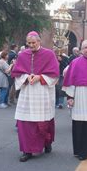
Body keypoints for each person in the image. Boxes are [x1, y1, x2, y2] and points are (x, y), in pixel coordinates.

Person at [11, 31, 59, 162]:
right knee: (24, 122)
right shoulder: (22, 55)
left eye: (33, 42)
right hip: (27, 91)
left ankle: (46, 142)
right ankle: (27, 150)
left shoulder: (49, 54)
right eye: (29, 43)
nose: (31, 45)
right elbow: (17, 73)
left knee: (43, 121)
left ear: (39, 42)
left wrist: (40, 77)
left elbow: (54, 74)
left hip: (43, 91)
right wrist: (26, 77)